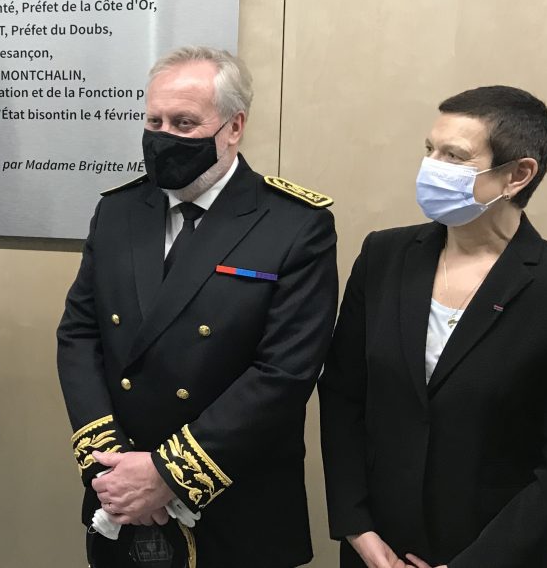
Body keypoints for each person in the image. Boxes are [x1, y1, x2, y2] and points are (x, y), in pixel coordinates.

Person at [56, 46, 339, 567]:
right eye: (154, 120)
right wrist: (109, 465)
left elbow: (285, 372)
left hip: (237, 505)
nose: (163, 137)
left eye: (184, 123)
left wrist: (167, 475)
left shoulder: (294, 224)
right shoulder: (118, 211)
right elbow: (79, 336)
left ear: (234, 127)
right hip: (121, 498)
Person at [319, 85, 547, 568]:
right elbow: (343, 397)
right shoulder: (384, 256)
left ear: (518, 175)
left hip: (489, 552)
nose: (431, 167)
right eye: (430, 150)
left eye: (454, 155)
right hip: (375, 547)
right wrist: (357, 527)